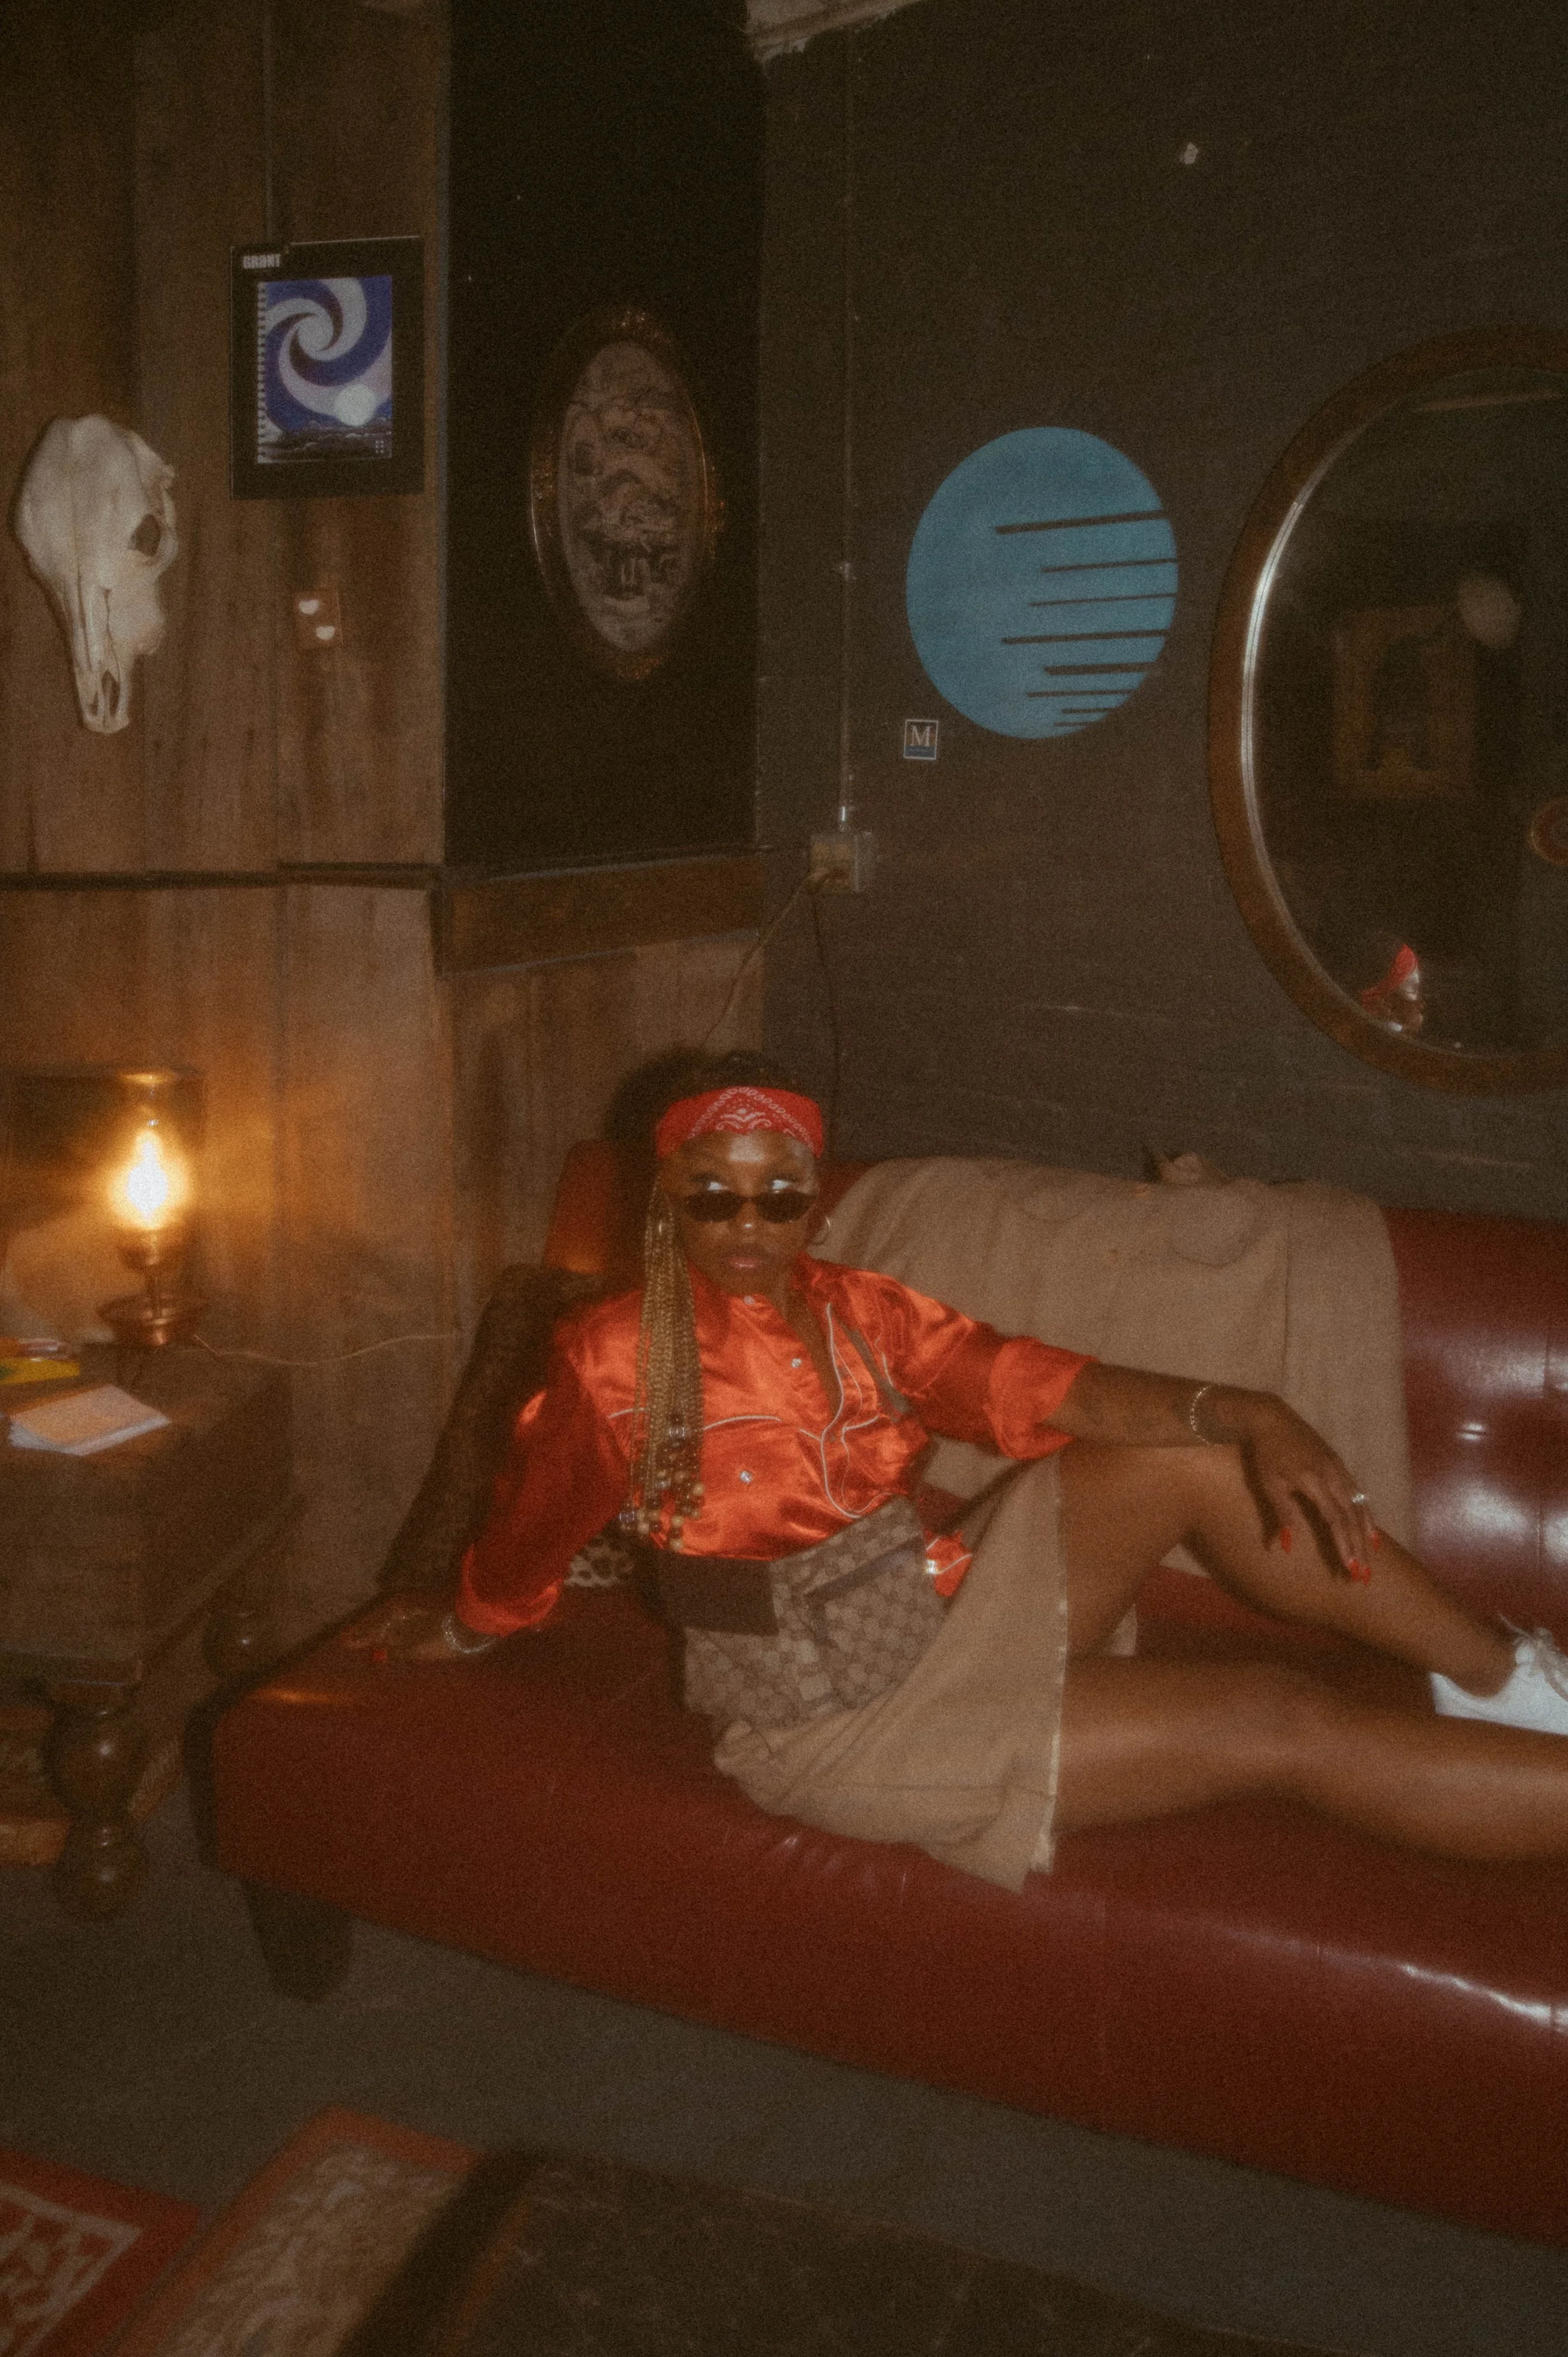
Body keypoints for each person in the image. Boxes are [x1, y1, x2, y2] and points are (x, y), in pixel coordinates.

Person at [352, 1053, 1568, 1885]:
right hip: (841, 1726)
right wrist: (465, 1631)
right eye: (711, 1198)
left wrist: (1241, 1406)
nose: (746, 1229)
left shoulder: (859, 1307)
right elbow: (532, 1530)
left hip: (934, 1602)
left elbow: (1044, 1386)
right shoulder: (611, 1356)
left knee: (1190, 1453)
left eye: (776, 1198)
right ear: (667, 1204)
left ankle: (1503, 1677)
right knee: (1275, 1717)